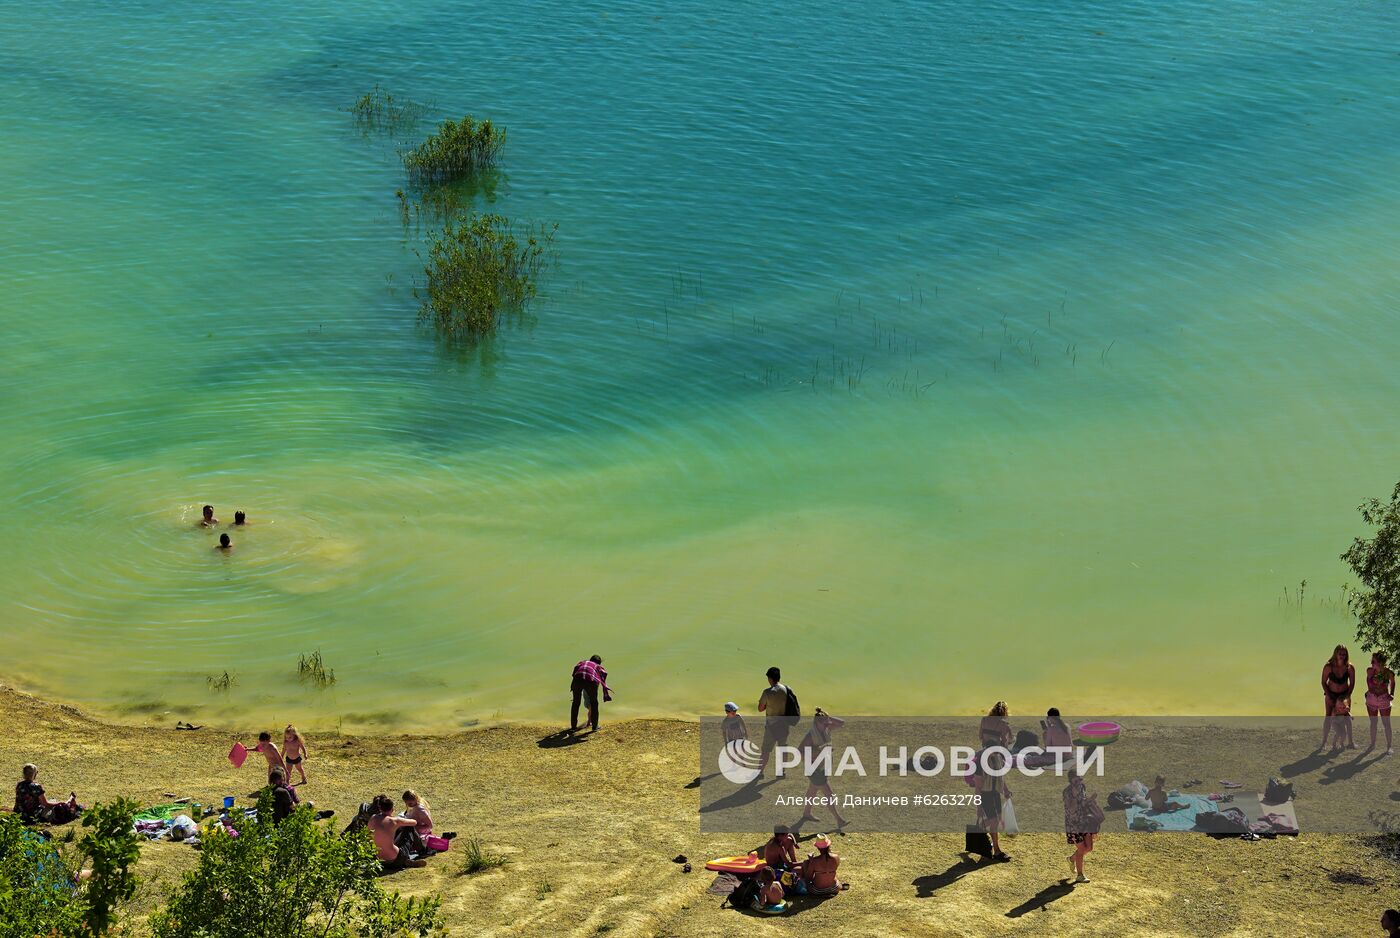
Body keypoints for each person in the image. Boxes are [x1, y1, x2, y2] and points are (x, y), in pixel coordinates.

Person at [797, 708, 848, 829]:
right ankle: (839, 819)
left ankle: (806, 813)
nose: (827, 725)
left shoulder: (826, 729)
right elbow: (799, 752)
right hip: (814, 769)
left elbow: (841, 723)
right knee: (828, 793)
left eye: (827, 722)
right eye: (824, 723)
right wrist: (818, 753)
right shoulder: (810, 736)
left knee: (812, 790)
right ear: (816, 723)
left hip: (822, 767)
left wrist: (828, 717)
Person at [1064, 770, 1103, 884]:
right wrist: (1075, 798)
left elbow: (1084, 803)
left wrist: (1090, 799)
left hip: (1085, 822)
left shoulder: (1082, 787)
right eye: (1077, 779)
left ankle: (1071, 859)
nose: (1079, 782)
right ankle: (1080, 875)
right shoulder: (1067, 792)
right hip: (1073, 825)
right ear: (1071, 780)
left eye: (1080, 779)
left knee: (1089, 848)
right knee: (1082, 849)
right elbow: (1070, 809)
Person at [369, 794, 426, 871]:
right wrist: (399, 820)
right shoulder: (394, 821)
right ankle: (422, 851)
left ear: (380, 808)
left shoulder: (373, 818)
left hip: (377, 860)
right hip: (395, 860)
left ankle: (405, 861)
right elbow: (414, 822)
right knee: (409, 828)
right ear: (392, 809)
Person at [757, 666, 797, 776]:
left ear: (770, 678)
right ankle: (782, 771)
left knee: (766, 750)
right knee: (782, 748)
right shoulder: (786, 689)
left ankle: (760, 772)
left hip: (771, 725)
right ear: (779, 677)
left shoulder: (767, 692)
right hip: (784, 724)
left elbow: (760, 708)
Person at [973, 747, 1011, 862]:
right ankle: (996, 850)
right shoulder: (980, 765)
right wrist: (979, 806)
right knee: (992, 822)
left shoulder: (997, 759)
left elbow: (1001, 778)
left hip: (995, 794)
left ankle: (992, 848)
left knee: (995, 822)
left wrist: (1006, 790)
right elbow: (978, 788)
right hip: (985, 795)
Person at [14, 764, 83, 824]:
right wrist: (59, 803)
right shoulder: (36, 787)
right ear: (34, 774)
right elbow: (45, 804)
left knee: (52, 801)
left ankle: (70, 800)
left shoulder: (19, 785)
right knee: (57, 805)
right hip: (32, 815)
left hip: (19, 814)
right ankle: (70, 801)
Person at [1321, 645, 1356, 750]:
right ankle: (1324, 742)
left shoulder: (1349, 667)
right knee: (1328, 717)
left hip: (1344, 695)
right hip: (1331, 694)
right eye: (1340, 653)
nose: (1342, 656)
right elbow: (1323, 682)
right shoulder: (1328, 666)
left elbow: (1352, 683)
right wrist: (1328, 695)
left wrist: (1347, 696)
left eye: (1344, 654)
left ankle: (1350, 742)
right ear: (1335, 653)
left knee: (1347, 718)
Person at [569, 655, 612, 733]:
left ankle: (573, 727)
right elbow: (603, 674)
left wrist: (573, 686)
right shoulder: (598, 666)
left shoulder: (582, 662)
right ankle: (595, 727)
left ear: (590, 659)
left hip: (577, 680)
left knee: (576, 703)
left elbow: (575, 671)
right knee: (594, 703)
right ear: (599, 663)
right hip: (590, 681)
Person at [1366, 652, 1395, 756]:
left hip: (1384, 698)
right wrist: (1368, 690)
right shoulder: (1369, 671)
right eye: (1371, 661)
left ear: (1381, 662)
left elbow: (1393, 681)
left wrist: (1392, 693)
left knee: (1386, 723)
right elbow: (1367, 680)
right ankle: (1372, 744)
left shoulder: (1388, 673)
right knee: (1373, 723)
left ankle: (1389, 746)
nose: (1371, 663)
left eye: (1374, 661)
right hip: (1371, 699)